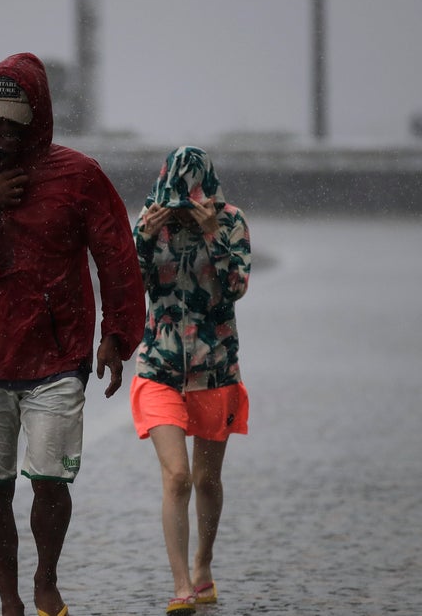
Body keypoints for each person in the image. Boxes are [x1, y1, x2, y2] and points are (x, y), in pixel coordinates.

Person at [0, 52, 146, 616]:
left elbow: (116, 256)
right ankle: (10, 601)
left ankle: (46, 579)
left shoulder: (79, 176)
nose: (1, 128)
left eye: (14, 117)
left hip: (56, 354)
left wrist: (118, 333)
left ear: (37, 116)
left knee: (49, 479)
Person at [129, 146, 252, 616]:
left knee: (207, 479)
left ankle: (203, 565)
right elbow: (133, 286)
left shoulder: (231, 220)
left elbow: (235, 289)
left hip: (215, 367)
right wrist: (143, 240)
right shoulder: (150, 218)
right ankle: (181, 585)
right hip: (158, 366)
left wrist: (210, 233)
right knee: (177, 477)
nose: (180, 208)